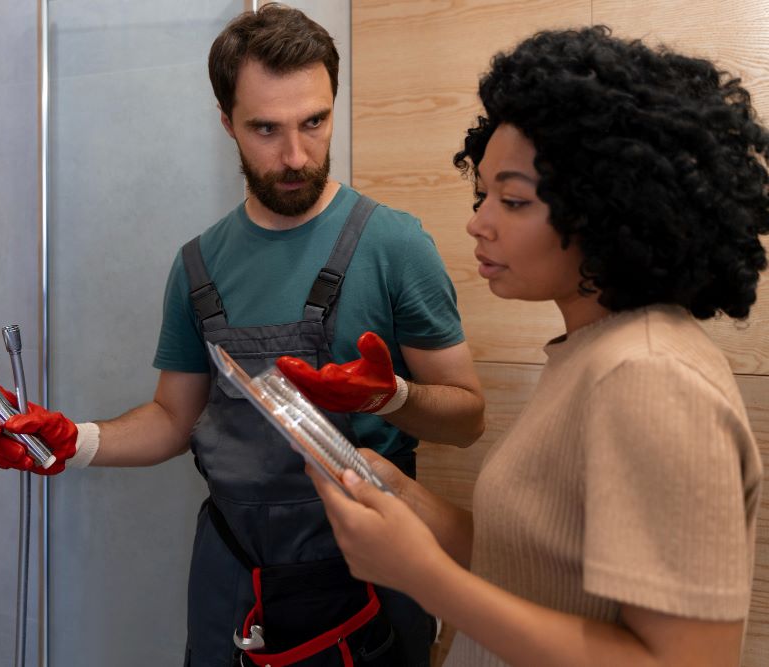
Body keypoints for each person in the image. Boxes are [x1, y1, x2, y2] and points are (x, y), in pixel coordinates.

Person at [0, 4, 486, 666]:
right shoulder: (199, 265)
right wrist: (79, 441)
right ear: (227, 124)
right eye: (266, 129)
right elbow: (171, 419)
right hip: (231, 576)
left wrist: (392, 398)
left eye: (314, 122)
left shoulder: (393, 245)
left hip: (365, 573)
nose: (296, 154)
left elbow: (467, 418)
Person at [297, 25, 767, 667]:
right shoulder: (591, 352)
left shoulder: (652, 375)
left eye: (513, 200)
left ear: (609, 209)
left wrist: (423, 578)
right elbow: (529, 565)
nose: (478, 221)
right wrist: (394, 493)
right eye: (483, 191)